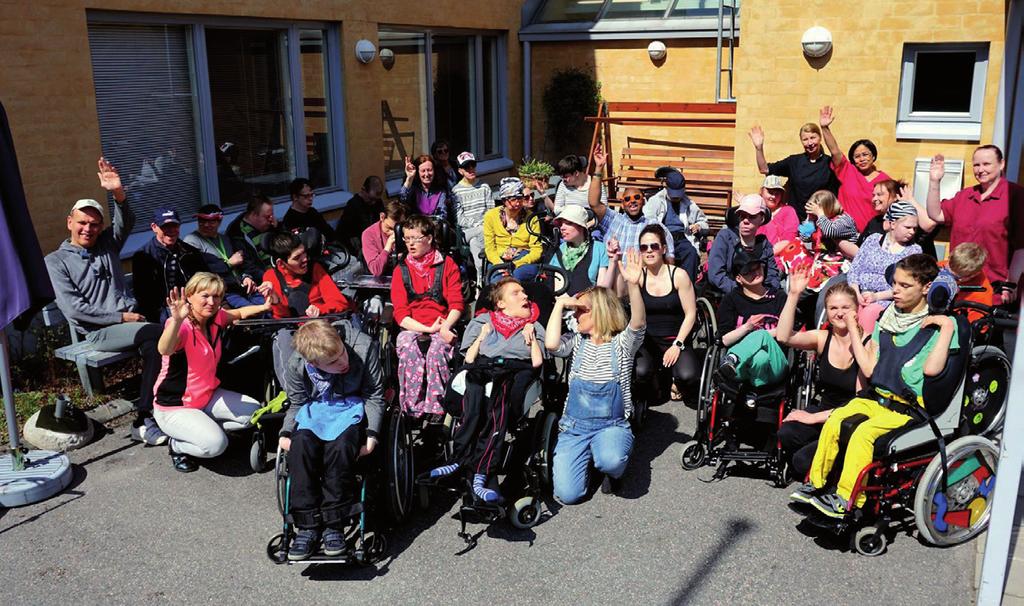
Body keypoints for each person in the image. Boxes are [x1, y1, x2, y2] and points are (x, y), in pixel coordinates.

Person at [792, 254, 958, 518]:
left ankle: (846, 500)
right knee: (837, 418)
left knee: (863, 433)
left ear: (926, 288)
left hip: (908, 408)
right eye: (895, 283)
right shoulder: (888, 317)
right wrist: (855, 331)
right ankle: (816, 484)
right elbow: (869, 368)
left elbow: (932, 370)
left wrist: (947, 327)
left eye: (905, 286)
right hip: (878, 397)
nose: (895, 291)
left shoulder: (940, 326)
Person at [45, 158, 166, 445]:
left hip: (131, 324)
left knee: (157, 346)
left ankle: (147, 416)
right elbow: (75, 309)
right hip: (100, 332)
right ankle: (152, 414)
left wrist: (118, 194)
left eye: (95, 224)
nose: (89, 228)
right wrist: (122, 318)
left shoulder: (107, 245)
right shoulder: (56, 261)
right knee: (160, 333)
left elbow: (127, 222)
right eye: (83, 223)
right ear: (70, 223)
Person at [277, 319, 385, 560]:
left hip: (352, 407)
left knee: (341, 447)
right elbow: (296, 402)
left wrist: (372, 435)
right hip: (315, 410)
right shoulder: (297, 363)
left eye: (341, 353)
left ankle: (334, 524)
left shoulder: (363, 347)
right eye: (334, 363)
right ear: (314, 363)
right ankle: (307, 526)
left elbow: (374, 395)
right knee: (301, 447)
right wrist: (285, 433)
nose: (343, 362)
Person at [429, 278, 545, 503]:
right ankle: (458, 459)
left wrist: (531, 337)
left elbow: (537, 364)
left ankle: (482, 474)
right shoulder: (483, 321)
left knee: (496, 400)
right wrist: (482, 335)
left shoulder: (534, 325)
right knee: (473, 389)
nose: (525, 297)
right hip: (482, 368)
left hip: (513, 372)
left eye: (524, 293)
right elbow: (468, 358)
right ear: (500, 303)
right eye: (516, 293)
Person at [546, 250, 646, 503]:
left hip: (611, 425)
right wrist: (559, 305)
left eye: (581, 311)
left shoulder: (622, 344)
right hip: (574, 427)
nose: (576, 315)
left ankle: (608, 466)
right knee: (569, 495)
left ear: (599, 313)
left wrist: (633, 286)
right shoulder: (577, 342)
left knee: (612, 460)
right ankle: (588, 459)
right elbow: (551, 345)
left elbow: (637, 323)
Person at [153, 273, 273, 472]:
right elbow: (164, 349)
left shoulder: (216, 317)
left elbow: (239, 313)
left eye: (217, 296)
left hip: (207, 396)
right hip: (175, 406)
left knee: (254, 413)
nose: (211, 302)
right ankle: (177, 445)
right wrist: (175, 320)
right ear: (189, 296)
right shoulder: (180, 326)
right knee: (216, 445)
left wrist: (264, 307)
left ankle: (204, 429)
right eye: (205, 296)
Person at [776, 267, 870, 480]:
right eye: (833, 308)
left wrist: (811, 418)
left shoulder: (867, 343)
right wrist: (793, 295)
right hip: (824, 413)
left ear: (857, 309)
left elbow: (858, 404)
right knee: (786, 432)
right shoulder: (822, 338)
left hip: (849, 421)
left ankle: (832, 468)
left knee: (800, 461)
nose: (839, 313)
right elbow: (783, 337)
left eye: (845, 307)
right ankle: (823, 464)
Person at [926, 146, 1024, 302]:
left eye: (986, 164)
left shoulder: (1016, 196)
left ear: (1001, 164)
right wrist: (934, 181)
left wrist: (1011, 284)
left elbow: (1021, 247)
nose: (981, 169)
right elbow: (936, 214)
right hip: (957, 284)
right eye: (977, 165)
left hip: (993, 288)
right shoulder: (965, 195)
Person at [391, 215, 465, 417]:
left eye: (415, 238)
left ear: (429, 238)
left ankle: (437, 408)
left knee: (436, 352)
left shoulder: (447, 264)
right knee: (408, 348)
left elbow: (457, 303)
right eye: (406, 239)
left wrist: (444, 327)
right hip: (413, 326)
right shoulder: (401, 270)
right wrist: (426, 329)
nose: (410, 244)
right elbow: (400, 312)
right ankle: (413, 408)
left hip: (443, 322)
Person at [633, 225, 699, 403]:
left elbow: (691, 314)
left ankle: (676, 381)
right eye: (644, 247)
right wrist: (616, 262)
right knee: (641, 373)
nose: (649, 251)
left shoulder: (679, 275)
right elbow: (620, 299)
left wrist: (677, 344)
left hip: (676, 338)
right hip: (648, 340)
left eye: (654, 246)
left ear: (663, 248)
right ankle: (657, 380)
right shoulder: (637, 276)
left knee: (688, 376)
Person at [714, 251, 790, 390]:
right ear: (738, 278)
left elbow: (789, 330)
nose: (755, 272)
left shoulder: (779, 297)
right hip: (741, 369)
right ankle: (757, 392)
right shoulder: (731, 300)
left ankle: (733, 358)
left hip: (776, 364)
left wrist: (758, 334)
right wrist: (747, 327)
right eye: (748, 271)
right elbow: (724, 340)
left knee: (760, 334)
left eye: (758, 267)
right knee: (760, 357)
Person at [847, 201, 922, 333]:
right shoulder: (872, 240)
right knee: (847, 308)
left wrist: (876, 297)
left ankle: (863, 349)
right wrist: (856, 293)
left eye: (914, 228)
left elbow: (907, 286)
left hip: (887, 299)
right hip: (859, 293)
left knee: (869, 313)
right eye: (908, 227)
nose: (912, 232)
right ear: (893, 224)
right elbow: (855, 269)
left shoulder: (913, 251)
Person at [132, 207, 211, 323]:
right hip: (163, 311)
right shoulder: (144, 256)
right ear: (154, 227)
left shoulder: (190, 252)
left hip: (193, 304)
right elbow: (145, 298)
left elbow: (206, 279)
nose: (171, 230)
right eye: (165, 227)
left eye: (175, 226)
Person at [184, 204, 270, 309]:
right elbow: (201, 270)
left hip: (242, 287)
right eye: (201, 221)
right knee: (254, 310)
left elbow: (240, 264)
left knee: (268, 304)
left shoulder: (225, 239)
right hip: (223, 292)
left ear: (219, 222)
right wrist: (228, 264)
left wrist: (246, 277)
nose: (206, 225)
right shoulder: (192, 240)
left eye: (211, 221)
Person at [818, 106, 891, 231]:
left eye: (865, 155)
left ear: (873, 156)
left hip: (871, 234)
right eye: (857, 156)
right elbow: (835, 151)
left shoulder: (885, 181)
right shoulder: (848, 171)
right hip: (843, 232)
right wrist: (825, 128)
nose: (862, 159)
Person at [749, 122, 840, 221]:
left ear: (820, 138)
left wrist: (825, 127)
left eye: (813, 138)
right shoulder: (794, 162)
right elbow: (764, 169)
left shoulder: (829, 163)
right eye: (805, 139)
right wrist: (759, 148)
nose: (810, 143)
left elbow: (836, 153)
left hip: (823, 221)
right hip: (796, 221)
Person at [262, 231, 350, 320]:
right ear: (281, 264)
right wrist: (275, 301)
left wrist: (320, 310)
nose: (305, 259)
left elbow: (340, 303)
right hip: (291, 328)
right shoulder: (271, 277)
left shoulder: (315, 269)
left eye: (304, 253)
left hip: (321, 324)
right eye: (297, 258)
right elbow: (281, 317)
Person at [707, 194, 782, 294]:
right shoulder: (725, 237)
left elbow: (772, 276)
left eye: (752, 216)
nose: (746, 221)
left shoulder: (764, 244)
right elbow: (715, 276)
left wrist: (768, 292)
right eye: (742, 216)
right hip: (730, 295)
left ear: (762, 219)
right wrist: (744, 293)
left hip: (759, 296)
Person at [483, 177, 543, 282]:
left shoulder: (531, 218)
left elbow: (537, 250)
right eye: (513, 199)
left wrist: (517, 264)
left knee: (517, 277)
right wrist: (500, 265)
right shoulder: (490, 216)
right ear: (504, 201)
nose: (518, 203)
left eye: (520, 198)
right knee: (498, 283)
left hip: (524, 257)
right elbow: (490, 248)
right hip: (499, 258)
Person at [547, 205, 613, 295]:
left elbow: (602, 289)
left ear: (581, 226)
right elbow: (559, 291)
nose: (562, 227)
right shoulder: (559, 251)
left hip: (593, 303)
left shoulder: (599, 248)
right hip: (565, 305)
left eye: (569, 223)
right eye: (561, 224)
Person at [643, 170, 710, 254]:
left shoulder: (688, 203)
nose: (675, 198)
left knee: (691, 253)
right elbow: (647, 220)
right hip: (662, 237)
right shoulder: (656, 201)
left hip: (682, 238)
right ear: (666, 187)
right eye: (673, 195)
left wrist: (698, 226)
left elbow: (704, 222)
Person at [450, 151, 492, 279]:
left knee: (475, 243)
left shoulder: (484, 187)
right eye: (466, 167)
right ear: (460, 171)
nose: (470, 169)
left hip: (484, 230)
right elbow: (459, 217)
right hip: (467, 232)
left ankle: (480, 279)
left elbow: (490, 210)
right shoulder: (456, 191)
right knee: (477, 234)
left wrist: (485, 224)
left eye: (472, 165)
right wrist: (477, 224)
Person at [225, 195, 278, 285]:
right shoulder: (237, 235)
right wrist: (272, 278)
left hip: (277, 272)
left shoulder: (270, 225)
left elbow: (285, 247)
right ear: (254, 215)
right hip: (262, 282)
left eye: (272, 215)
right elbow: (249, 268)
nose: (271, 220)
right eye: (267, 216)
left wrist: (277, 229)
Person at [548, 153, 608, 218]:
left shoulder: (595, 185)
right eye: (561, 177)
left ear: (576, 173)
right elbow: (557, 209)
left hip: (590, 222)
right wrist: (577, 212)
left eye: (565, 176)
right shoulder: (563, 185)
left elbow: (603, 210)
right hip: (568, 221)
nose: (563, 179)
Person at [335, 176, 385, 253]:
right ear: (363, 190)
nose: (373, 203)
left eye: (376, 199)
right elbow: (343, 232)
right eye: (371, 199)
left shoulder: (378, 203)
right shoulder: (353, 206)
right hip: (358, 247)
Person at [361, 200, 407, 277]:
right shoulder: (369, 234)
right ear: (382, 217)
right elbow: (376, 270)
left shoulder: (406, 230)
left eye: (396, 229)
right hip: (384, 279)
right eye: (389, 228)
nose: (393, 233)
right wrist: (387, 248)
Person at [805, 190, 857, 257]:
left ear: (828, 207)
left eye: (816, 210)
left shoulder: (844, 220)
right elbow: (805, 238)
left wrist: (820, 214)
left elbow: (829, 231)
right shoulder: (820, 220)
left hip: (843, 260)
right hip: (822, 259)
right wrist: (809, 220)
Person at [400, 154, 451, 223]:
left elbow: (442, 214)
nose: (426, 174)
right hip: (415, 227)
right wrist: (410, 177)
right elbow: (402, 199)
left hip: (434, 227)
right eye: (423, 171)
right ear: (418, 173)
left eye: (429, 170)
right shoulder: (414, 189)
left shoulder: (440, 192)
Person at [757, 175, 799, 257]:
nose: (773, 197)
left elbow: (789, 239)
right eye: (770, 192)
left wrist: (765, 255)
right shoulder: (755, 211)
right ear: (762, 192)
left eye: (777, 194)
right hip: (756, 258)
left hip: (779, 259)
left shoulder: (788, 211)